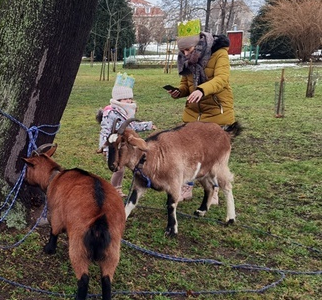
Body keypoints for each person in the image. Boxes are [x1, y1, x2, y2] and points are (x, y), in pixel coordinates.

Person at [167, 19, 235, 200]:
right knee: (189, 152)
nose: (185, 54)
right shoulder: (186, 59)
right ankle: (187, 188)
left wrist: (202, 89)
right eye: (182, 51)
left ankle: (215, 191)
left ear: (198, 44)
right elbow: (185, 85)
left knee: (211, 156)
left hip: (216, 111)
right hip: (193, 113)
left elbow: (221, 79)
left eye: (188, 50)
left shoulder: (219, 54)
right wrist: (178, 92)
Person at [97, 73, 155, 197]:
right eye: (125, 99)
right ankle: (114, 190)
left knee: (126, 166)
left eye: (130, 98)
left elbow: (133, 126)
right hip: (114, 146)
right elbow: (105, 130)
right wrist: (104, 147)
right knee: (119, 168)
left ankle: (126, 186)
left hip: (125, 146)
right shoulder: (110, 113)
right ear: (118, 100)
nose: (129, 101)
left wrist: (148, 125)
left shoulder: (127, 111)